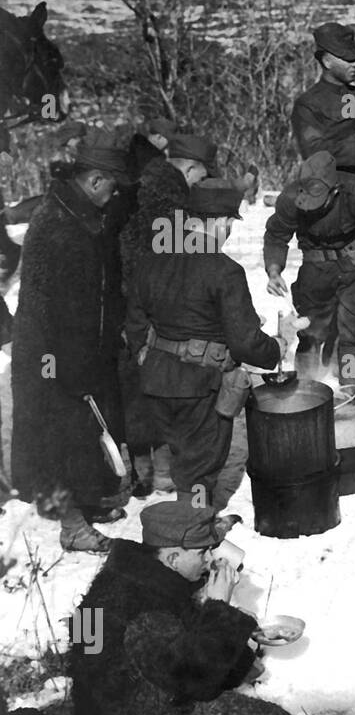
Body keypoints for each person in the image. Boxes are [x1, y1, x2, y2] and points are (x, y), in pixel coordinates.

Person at [68, 500, 294, 715]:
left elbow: (186, 647)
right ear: (173, 558)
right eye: (202, 553)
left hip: (128, 698)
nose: (210, 560)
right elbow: (197, 679)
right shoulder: (142, 609)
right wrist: (220, 608)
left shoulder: (139, 577)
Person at [126, 179, 283, 511]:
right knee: (199, 470)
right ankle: (193, 531)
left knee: (182, 453)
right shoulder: (224, 271)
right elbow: (245, 342)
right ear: (222, 222)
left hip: (157, 380)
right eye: (230, 223)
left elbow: (136, 322)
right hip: (202, 386)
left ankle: (188, 521)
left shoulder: (150, 260)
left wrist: (146, 358)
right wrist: (276, 349)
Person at [10, 128, 132, 551]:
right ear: (95, 181)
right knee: (57, 439)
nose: (114, 195)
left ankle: (86, 503)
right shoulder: (55, 224)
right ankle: (73, 527)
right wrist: (58, 366)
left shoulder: (82, 216)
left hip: (79, 352)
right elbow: (44, 307)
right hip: (48, 355)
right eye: (111, 186)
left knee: (84, 435)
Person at [117, 131, 219, 495]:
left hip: (123, 304)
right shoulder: (169, 201)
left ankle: (141, 470)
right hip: (149, 309)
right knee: (159, 387)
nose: (200, 184)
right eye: (201, 177)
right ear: (190, 169)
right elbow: (171, 265)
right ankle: (160, 471)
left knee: (132, 389)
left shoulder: (139, 183)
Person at [263, 150, 355, 397]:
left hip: (354, 267)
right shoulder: (290, 198)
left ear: (335, 190)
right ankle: (303, 390)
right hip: (315, 269)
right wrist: (274, 270)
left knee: (351, 331)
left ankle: (349, 385)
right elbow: (277, 235)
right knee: (310, 331)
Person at [291, 22, 355, 197]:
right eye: (347, 60)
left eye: (354, 59)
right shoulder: (308, 103)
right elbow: (313, 152)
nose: (354, 64)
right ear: (327, 61)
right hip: (335, 196)